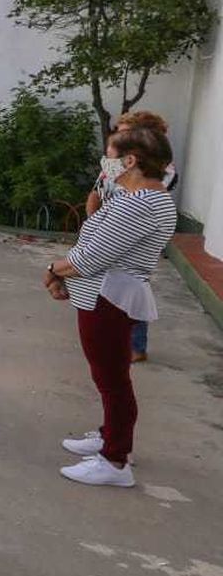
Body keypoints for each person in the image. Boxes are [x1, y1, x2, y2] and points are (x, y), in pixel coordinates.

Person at [47, 127, 177, 488]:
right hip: (107, 294)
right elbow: (97, 238)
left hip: (108, 297)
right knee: (110, 374)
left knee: (111, 378)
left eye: (110, 154)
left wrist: (53, 269)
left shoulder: (140, 203)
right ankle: (111, 437)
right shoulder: (143, 197)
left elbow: (92, 257)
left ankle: (115, 460)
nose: (105, 161)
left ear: (130, 160)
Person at [85, 110, 178, 363]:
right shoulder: (115, 161)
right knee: (110, 288)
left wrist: (57, 269)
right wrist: (94, 225)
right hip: (109, 229)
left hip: (133, 235)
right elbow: (97, 191)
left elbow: (143, 199)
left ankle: (135, 345)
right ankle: (116, 339)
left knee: (131, 288)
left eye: (124, 132)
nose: (119, 137)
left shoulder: (158, 170)